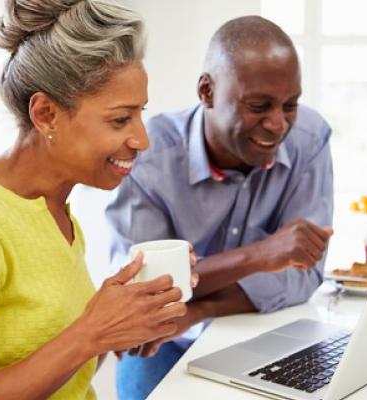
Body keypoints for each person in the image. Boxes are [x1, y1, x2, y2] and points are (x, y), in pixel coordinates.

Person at [0, 1, 194, 399]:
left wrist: (120, 329)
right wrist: (90, 334)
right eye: (120, 119)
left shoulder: (59, 217)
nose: (142, 139)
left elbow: (59, 372)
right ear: (46, 114)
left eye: (140, 114)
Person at [106, 15, 334, 400]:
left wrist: (193, 310)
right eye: (259, 105)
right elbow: (142, 295)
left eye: (290, 105)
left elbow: (303, 276)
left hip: (258, 337)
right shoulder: (150, 155)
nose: (278, 124)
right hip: (160, 344)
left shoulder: (309, 138)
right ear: (207, 91)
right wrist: (262, 255)